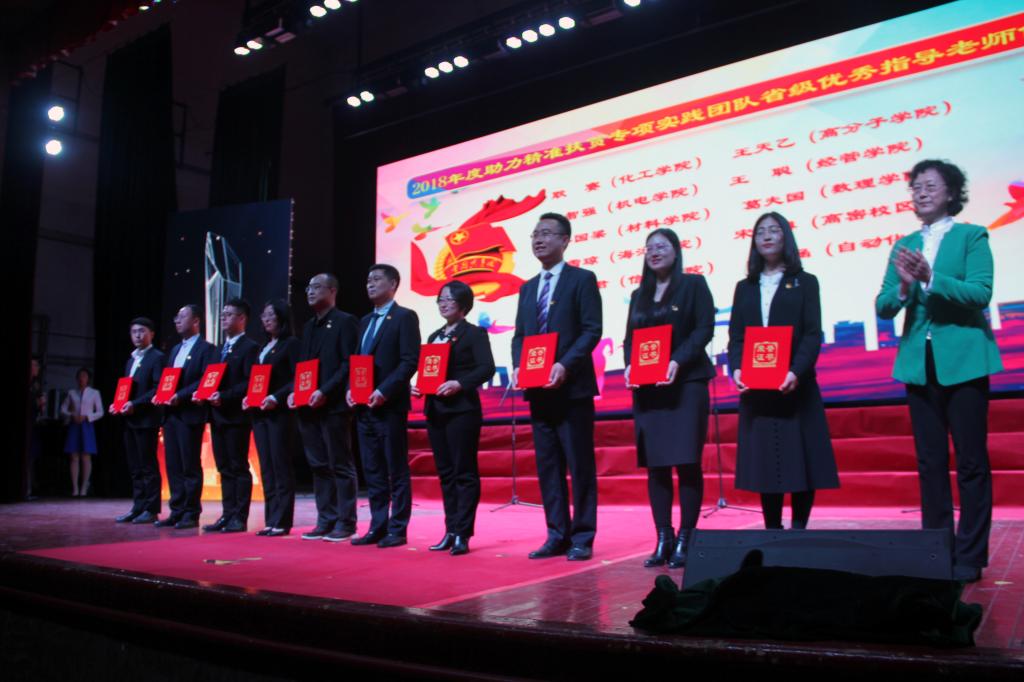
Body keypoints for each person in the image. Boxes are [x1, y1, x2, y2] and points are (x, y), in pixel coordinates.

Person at [875, 159, 1002, 584]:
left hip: (964, 362)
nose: (921, 192)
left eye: (930, 185)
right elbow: (884, 306)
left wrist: (931, 278)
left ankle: (970, 554)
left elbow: (980, 293)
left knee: (971, 462)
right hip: (918, 363)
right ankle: (937, 548)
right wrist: (904, 286)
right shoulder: (904, 244)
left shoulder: (972, 236)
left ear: (951, 193)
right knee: (930, 462)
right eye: (916, 187)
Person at [727, 212, 839, 530]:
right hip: (757, 388)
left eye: (774, 230)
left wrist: (796, 371)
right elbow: (737, 336)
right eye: (760, 231)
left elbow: (812, 334)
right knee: (767, 462)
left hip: (795, 385)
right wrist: (737, 368)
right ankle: (772, 531)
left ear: (785, 237)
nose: (766, 236)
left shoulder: (805, 282)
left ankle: (799, 530)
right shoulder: (745, 287)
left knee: (802, 459)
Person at [511, 212, 602, 561]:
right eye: (535, 234)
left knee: (579, 466)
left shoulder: (582, 279)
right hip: (538, 391)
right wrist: (518, 366)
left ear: (565, 240)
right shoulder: (527, 288)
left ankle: (583, 536)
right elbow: (520, 335)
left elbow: (591, 330)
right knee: (548, 466)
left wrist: (565, 364)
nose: (539, 239)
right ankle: (556, 534)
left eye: (547, 233)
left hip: (572, 389)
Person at [623, 228, 714, 568]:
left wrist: (677, 360)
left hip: (686, 383)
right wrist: (629, 365)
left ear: (676, 251)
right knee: (656, 465)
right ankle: (664, 537)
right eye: (649, 247)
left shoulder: (693, 285)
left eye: (661, 246)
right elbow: (630, 339)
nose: (654, 252)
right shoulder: (639, 294)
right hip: (649, 388)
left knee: (686, 461)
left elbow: (704, 328)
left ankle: (687, 538)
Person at [411, 281, 495, 556]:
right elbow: (430, 371)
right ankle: (450, 530)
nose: (443, 303)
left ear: (463, 304)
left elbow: (486, 368)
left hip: (462, 411)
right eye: (440, 299)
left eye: (449, 299)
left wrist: (460, 383)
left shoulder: (474, 333)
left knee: (463, 472)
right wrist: (419, 386)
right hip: (435, 410)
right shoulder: (434, 335)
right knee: (446, 473)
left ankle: (463, 533)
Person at [348, 264, 420, 548]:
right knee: (373, 469)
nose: (370, 284)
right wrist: (351, 390)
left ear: (393, 284)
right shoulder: (365, 320)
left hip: (389, 406)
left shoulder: (404, 317)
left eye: (377, 279)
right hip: (364, 407)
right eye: (368, 279)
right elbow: (357, 361)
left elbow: (409, 361)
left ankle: (398, 529)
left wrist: (384, 390)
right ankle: (377, 526)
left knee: (395, 469)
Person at [287, 273, 360, 543]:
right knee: (318, 465)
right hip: (308, 406)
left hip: (334, 405)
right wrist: (296, 391)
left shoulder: (345, 321)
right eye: (308, 287)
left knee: (340, 464)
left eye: (317, 287)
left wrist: (325, 391)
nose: (310, 291)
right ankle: (325, 519)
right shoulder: (308, 326)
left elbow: (348, 363)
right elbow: (304, 367)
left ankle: (346, 522)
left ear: (332, 291)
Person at [197, 298, 259, 533]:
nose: (223, 317)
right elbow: (210, 378)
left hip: (236, 416)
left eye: (229, 314)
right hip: (217, 415)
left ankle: (239, 517)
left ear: (242, 318)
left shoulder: (250, 347)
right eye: (222, 314)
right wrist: (203, 393)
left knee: (237, 466)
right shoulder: (218, 349)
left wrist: (225, 395)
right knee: (223, 467)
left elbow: (249, 382)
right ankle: (227, 513)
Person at [155, 304, 215, 529]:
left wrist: (180, 395)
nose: (177, 320)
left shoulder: (206, 349)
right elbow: (169, 379)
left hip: (190, 413)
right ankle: (177, 510)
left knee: (189, 465)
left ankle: (191, 512)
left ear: (196, 321)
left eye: (182, 316)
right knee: (173, 465)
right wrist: (162, 394)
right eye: (176, 317)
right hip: (171, 414)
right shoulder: (175, 350)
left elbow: (205, 379)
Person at [244, 299, 299, 537]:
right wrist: (249, 397)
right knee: (266, 467)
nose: (265, 320)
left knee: (280, 465)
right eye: (263, 316)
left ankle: (282, 520)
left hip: (280, 413)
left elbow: (296, 377)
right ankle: (271, 518)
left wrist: (276, 397)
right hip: (260, 413)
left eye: (270, 315)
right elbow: (257, 379)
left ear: (282, 318)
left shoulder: (291, 344)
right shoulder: (264, 347)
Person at [111, 317, 165, 523]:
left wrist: (135, 404)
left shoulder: (157, 357)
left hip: (147, 419)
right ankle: (138, 506)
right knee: (135, 467)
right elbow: (126, 388)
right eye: (134, 332)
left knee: (148, 466)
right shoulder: (131, 359)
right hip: (130, 419)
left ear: (152, 334)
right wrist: (118, 404)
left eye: (142, 331)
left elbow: (157, 388)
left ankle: (151, 509)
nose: (138, 335)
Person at [61, 367, 104, 497]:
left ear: (88, 379)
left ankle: (84, 487)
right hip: (74, 425)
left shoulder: (94, 393)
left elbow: (100, 411)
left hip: (87, 425)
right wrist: (71, 415)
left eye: (84, 376)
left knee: (86, 456)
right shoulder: (71, 393)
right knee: (74, 456)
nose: (82, 378)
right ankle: (75, 488)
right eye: (80, 376)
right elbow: (63, 409)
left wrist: (87, 416)